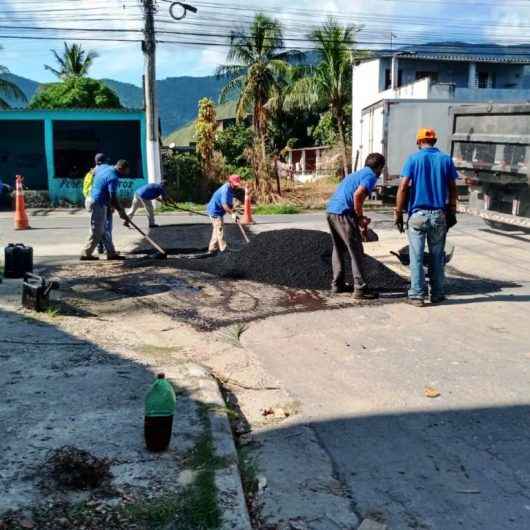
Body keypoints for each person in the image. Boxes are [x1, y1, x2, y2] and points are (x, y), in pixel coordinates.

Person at [395, 128, 458, 307]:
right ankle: (437, 294)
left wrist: (399, 213)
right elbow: (453, 188)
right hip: (439, 215)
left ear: (418, 142)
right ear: (434, 141)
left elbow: (403, 187)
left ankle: (417, 295)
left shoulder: (413, 159)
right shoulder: (446, 160)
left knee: (416, 257)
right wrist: (452, 211)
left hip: (417, 216)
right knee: (437, 257)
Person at [326, 153, 386, 299]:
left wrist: (359, 217)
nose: (381, 172)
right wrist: (359, 218)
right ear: (379, 167)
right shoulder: (371, 176)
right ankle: (360, 289)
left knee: (339, 248)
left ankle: (337, 285)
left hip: (331, 211)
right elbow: (357, 196)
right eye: (381, 168)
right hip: (343, 214)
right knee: (356, 250)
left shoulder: (357, 174)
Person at [80, 159, 130, 261]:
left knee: (104, 230)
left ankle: (111, 253)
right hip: (97, 202)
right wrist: (121, 212)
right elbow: (113, 198)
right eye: (125, 171)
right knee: (97, 230)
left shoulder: (105, 167)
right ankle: (86, 253)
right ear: (121, 168)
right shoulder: (113, 178)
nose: (125, 174)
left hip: (94, 199)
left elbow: (93, 172)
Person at [83, 153, 112, 255]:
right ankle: (91, 251)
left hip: (90, 200)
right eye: (105, 161)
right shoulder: (99, 172)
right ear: (101, 162)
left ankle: (109, 251)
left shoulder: (89, 173)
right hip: (99, 201)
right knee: (101, 227)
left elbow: (85, 190)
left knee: (101, 227)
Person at [207, 174, 242, 253]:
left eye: (237, 184)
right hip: (215, 211)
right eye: (235, 184)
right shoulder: (225, 190)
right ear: (230, 182)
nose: (236, 186)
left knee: (217, 229)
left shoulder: (231, 189)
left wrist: (233, 211)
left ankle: (212, 248)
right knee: (220, 229)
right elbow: (225, 205)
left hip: (219, 211)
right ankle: (224, 249)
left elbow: (229, 203)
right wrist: (232, 214)